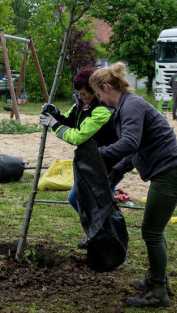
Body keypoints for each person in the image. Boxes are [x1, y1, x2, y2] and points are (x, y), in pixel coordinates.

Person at [89, 62, 177, 308]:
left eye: (99, 95)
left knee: (151, 232)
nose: (101, 100)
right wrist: (115, 170)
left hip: (170, 176)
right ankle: (158, 280)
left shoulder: (131, 106)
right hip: (168, 174)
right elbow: (135, 150)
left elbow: (130, 143)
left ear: (105, 87)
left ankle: (158, 292)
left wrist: (98, 154)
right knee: (154, 231)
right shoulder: (128, 105)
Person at [38, 67, 118, 248]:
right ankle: (97, 236)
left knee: (102, 206)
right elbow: (71, 120)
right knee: (78, 200)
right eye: (77, 94)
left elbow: (78, 136)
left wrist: (54, 125)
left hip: (108, 164)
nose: (80, 98)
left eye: (83, 94)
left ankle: (113, 245)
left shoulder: (103, 111)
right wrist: (56, 114)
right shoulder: (83, 103)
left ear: (95, 91)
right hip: (91, 162)